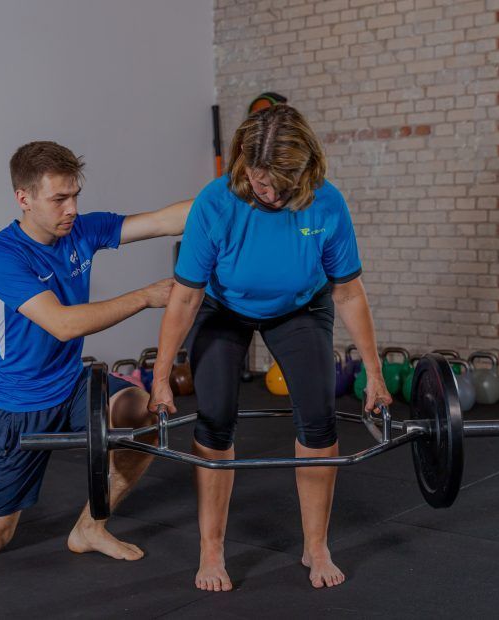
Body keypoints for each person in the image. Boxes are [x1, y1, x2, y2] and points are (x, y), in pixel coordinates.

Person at [0, 141, 191, 559]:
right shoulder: (1, 255)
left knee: (141, 415)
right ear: (24, 198)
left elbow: (164, 220)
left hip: (72, 383)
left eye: (75, 195)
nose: (72, 208)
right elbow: (63, 324)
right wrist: (145, 296)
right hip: (20, 403)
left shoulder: (82, 231)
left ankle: (90, 528)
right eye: (59, 199)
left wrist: (238, 193)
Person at [148, 105, 392, 591]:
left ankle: (316, 546)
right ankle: (212, 549)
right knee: (215, 417)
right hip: (223, 308)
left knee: (319, 417)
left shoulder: (326, 202)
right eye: (263, 184)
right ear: (245, 162)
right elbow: (187, 296)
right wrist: (159, 376)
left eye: (285, 185)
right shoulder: (214, 203)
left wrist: (375, 373)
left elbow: (347, 292)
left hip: (299, 309)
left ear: (306, 167)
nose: (274, 195)